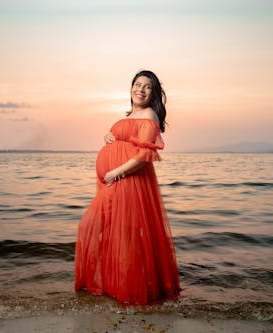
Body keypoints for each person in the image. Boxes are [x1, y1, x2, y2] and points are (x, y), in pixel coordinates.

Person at [74, 70, 181, 305]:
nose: (140, 90)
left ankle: (131, 290)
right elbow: (124, 139)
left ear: (153, 94)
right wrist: (109, 137)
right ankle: (116, 286)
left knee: (102, 229)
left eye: (147, 86)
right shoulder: (132, 114)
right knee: (116, 233)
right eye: (137, 84)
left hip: (127, 181)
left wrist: (115, 171)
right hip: (115, 181)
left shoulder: (150, 115)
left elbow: (144, 156)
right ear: (131, 87)